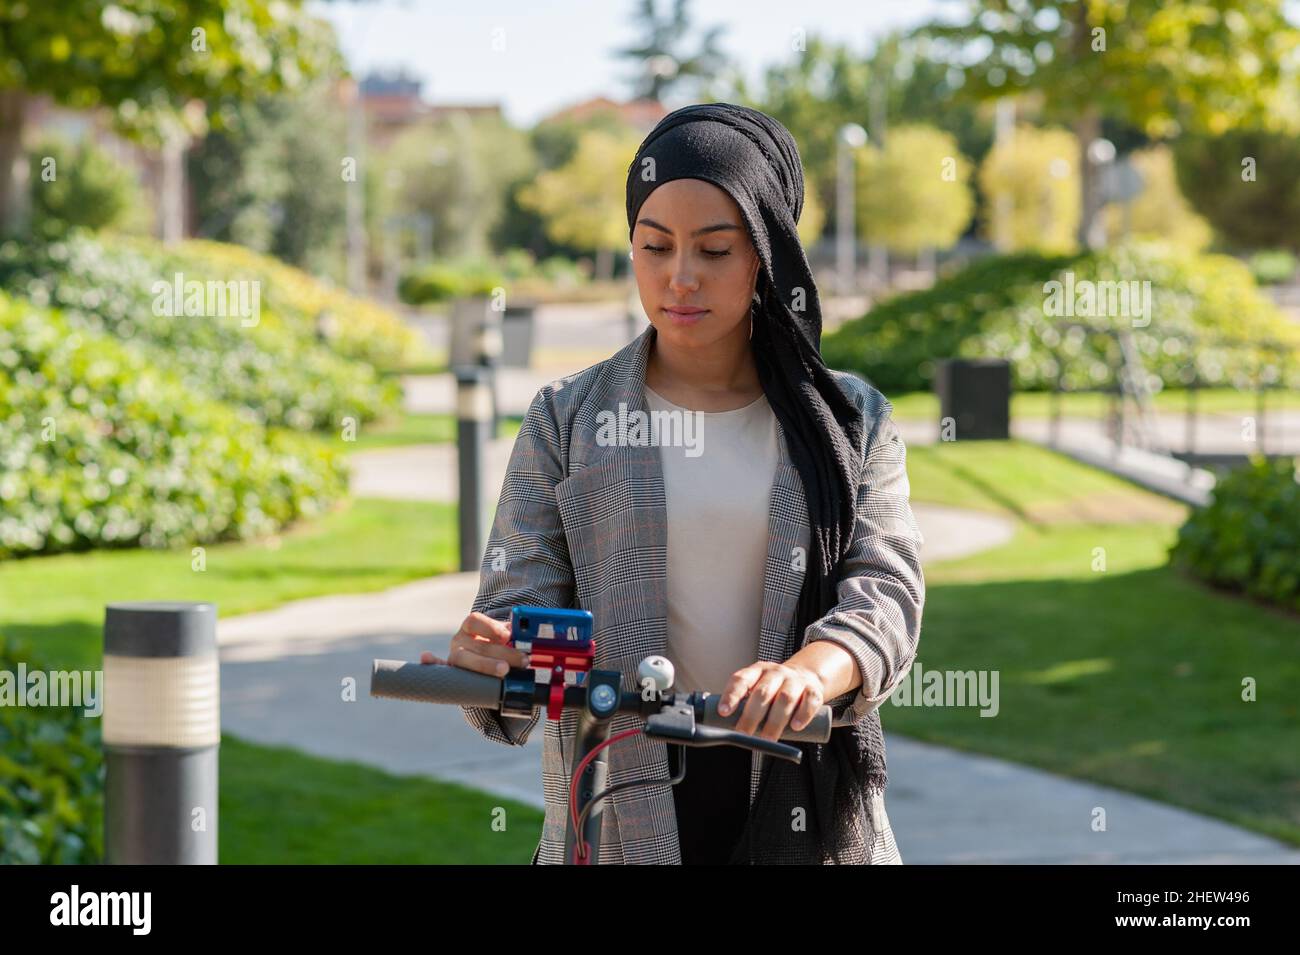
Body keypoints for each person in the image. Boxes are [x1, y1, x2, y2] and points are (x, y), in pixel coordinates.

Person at [423, 103, 925, 865]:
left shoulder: (849, 421)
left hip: (800, 802)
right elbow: (517, 604)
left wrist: (807, 675)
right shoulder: (567, 417)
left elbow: (885, 592)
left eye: (714, 250)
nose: (679, 276)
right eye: (654, 246)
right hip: (616, 807)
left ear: (764, 254)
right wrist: (494, 652)